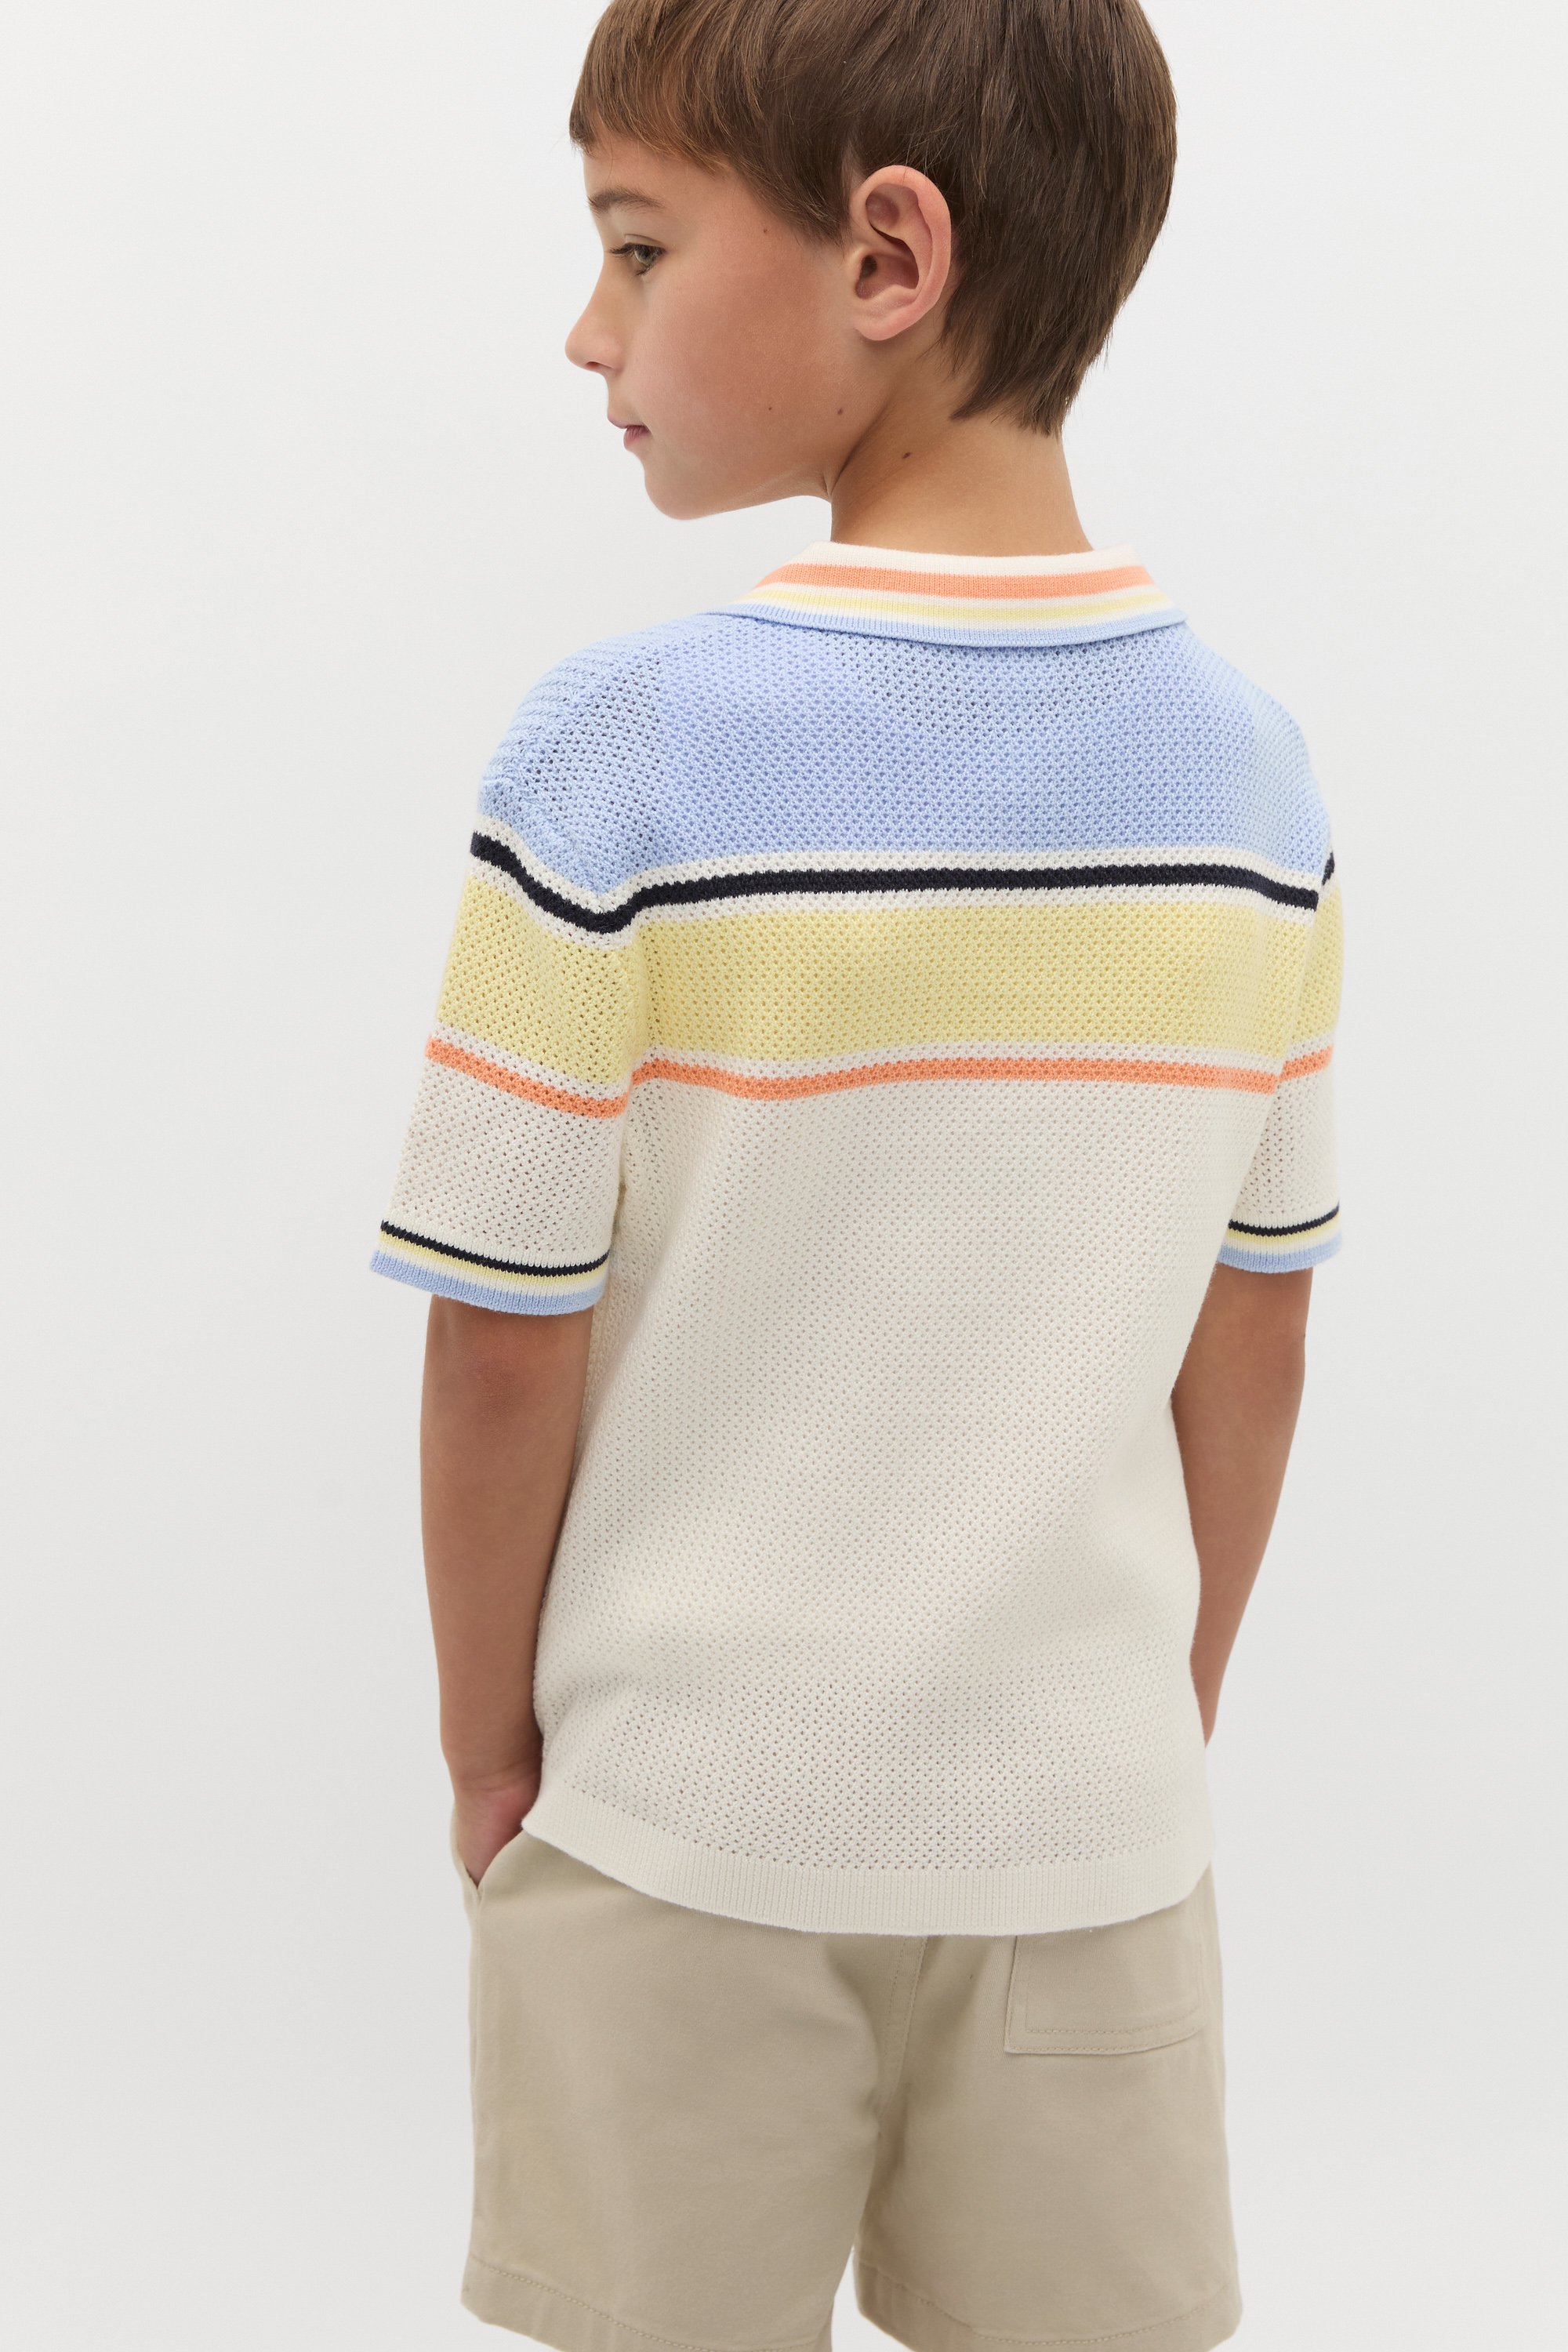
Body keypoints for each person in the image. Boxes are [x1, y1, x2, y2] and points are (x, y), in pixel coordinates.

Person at [372, 3, 1343, 2346]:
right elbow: (1259, 1318)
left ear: (888, 257)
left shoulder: (619, 756)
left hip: (678, 1831)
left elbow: (503, 1335)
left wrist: (491, 1746)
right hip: (1090, 1845)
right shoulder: (1256, 780)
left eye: (637, 246)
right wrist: (1156, 1708)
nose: (588, 328)